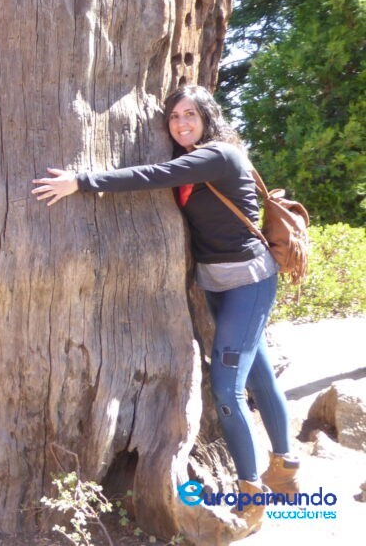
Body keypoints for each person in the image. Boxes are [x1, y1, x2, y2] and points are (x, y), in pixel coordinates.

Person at [31, 85, 300, 532]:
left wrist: (80, 181)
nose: (181, 124)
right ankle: (286, 467)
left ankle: (252, 492)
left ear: (208, 117)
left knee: (226, 388)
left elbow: (150, 176)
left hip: (249, 281)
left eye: (190, 114)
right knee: (257, 372)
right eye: (174, 117)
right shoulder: (196, 159)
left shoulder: (220, 155)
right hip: (217, 282)